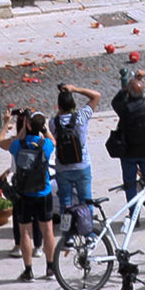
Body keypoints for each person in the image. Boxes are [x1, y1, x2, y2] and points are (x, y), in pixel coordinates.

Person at [0, 108, 55, 283]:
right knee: (47, 230)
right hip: (43, 191)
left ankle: (28, 270)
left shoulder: (17, 145)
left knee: (24, 232)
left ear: (26, 125)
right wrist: (43, 129)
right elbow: (53, 140)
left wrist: (22, 129)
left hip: (23, 193)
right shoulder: (45, 145)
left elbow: (5, 141)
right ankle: (51, 268)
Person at [112, 67, 145, 218]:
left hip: (129, 151)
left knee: (130, 184)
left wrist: (126, 88)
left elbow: (115, 101)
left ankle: (133, 213)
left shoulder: (124, 108)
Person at [52, 81, 101, 215]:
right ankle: (88, 230)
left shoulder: (53, 123)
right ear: (73, 104)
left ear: (59, 106)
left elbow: (57, 119)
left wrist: (61, 108)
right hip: (82, 165)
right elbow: (96, 96)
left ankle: (67, 231)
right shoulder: (81, 118)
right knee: (85, 202)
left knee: (65, 203)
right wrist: (74, 89)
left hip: (62, 168)